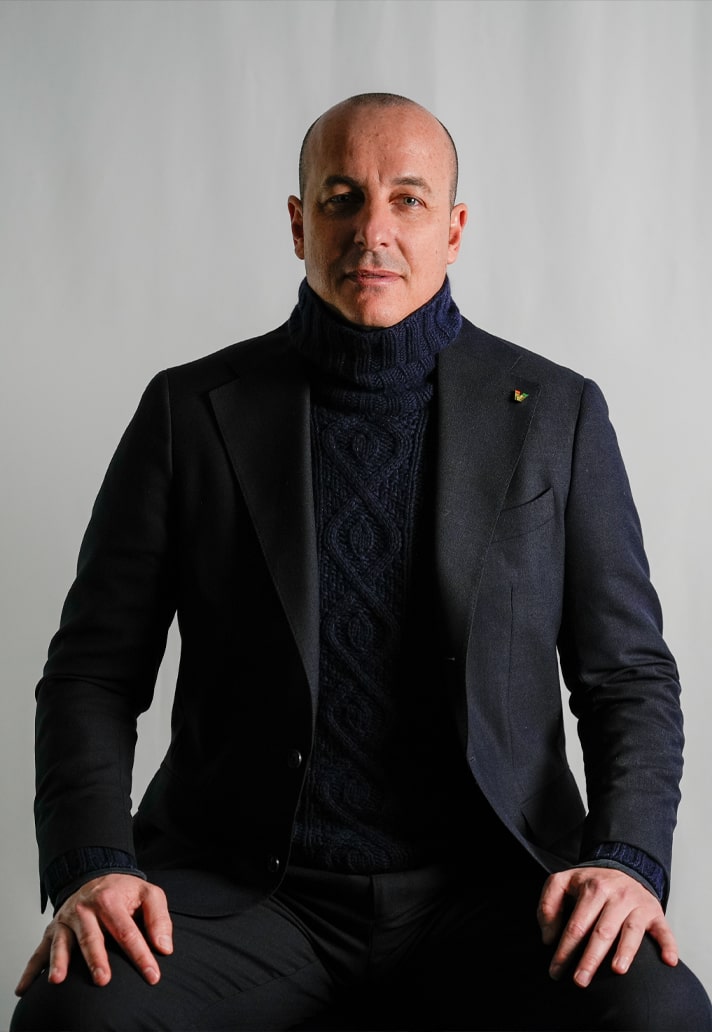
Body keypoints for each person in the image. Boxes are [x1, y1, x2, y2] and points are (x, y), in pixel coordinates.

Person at [11, 92, 712, 1032]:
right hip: (243, 896)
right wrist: (94, 867)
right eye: (341, 198)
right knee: (74, 1014)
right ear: (298, 223)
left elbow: (628, 677)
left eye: (407, 200)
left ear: (453, 229)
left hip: (493, 893)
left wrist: (627, 861)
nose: (372, 230)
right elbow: (92, 675)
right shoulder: (189, 414)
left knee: (661, 1011)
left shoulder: (558, 413)